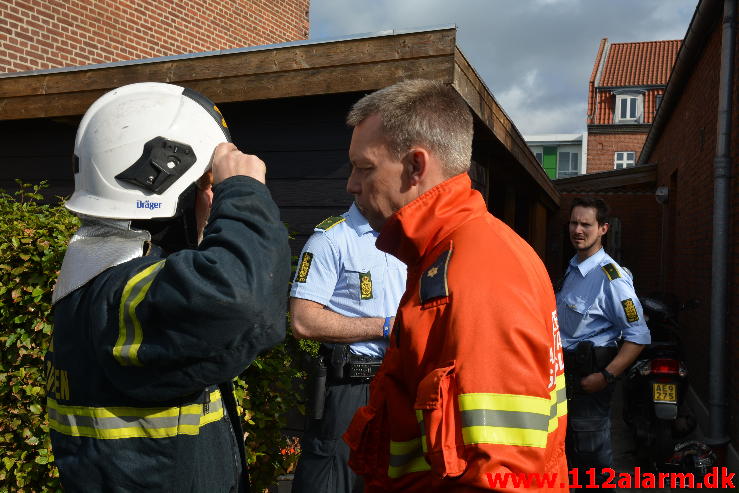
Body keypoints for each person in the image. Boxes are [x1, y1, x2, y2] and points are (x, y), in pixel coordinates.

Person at [45, 82, 290, 492]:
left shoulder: (98, 280)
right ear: (166, 182)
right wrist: (245, 193)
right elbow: (245, 298)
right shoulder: (121, 294)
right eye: (207, 185)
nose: (212, 200)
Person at [341, 79, 569, 491]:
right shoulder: (452, 254)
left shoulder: (475, 272)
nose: (352, 185)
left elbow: (504, 473)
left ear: (416, 166)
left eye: (364, 167)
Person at [290, 202, 407, 493]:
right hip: (352, 388)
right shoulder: (330, 238)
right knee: (332, 482)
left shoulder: (410, 237)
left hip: (403, 386)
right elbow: (303, 321)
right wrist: (383, 327)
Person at [556, 197, 650, 484]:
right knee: (572, 460)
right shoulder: (573, 267)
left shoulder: (612, 278)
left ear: (603, 229)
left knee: (593, 466)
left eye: (586, 224)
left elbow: (638, 335)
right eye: (574, 222)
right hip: (567, 379)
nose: (578, 230)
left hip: (590, 382)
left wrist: (606, 376)